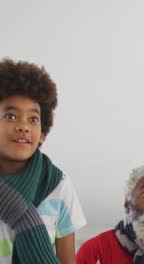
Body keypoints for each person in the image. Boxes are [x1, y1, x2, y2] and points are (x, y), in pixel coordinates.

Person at [0, 58, 86, 263]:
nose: (24, 126)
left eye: (33, 119)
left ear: (42, 134)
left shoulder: (60, 186)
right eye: (11, 116)